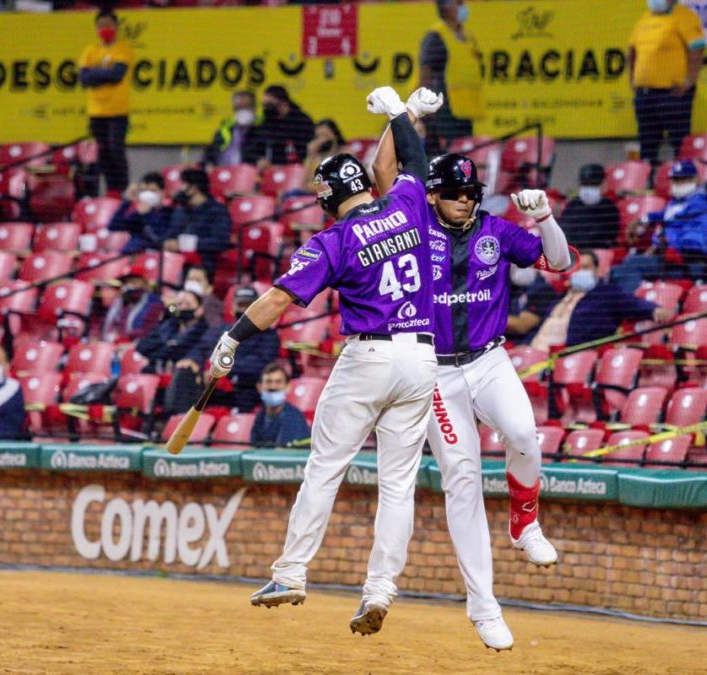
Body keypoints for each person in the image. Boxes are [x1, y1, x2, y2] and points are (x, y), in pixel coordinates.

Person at [211, 86, 439, 637]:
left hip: (370, 356)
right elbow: (410, 159)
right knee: (398, 485)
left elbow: (278, 299)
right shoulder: (409, 204)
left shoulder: (333, 239)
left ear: (327, 197)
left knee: (325, 468)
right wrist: (402, 113)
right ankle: (380, 589)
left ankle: (291, 573)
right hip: (423, 355)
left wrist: (234, 336)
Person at [371, 141, 572, 649]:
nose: (466, 200)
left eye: (472, 192)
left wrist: (544, 216)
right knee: (462, 478)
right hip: (435, 372)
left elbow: (560, 261)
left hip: (489, 358)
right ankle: (483, 606)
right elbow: (382, 176)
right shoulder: (412, 233)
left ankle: (524, 524)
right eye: (456, 193)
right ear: (434, 195)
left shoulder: (494, 230)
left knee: (526, 433)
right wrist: (401, 120)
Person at [610, 160, 707, 295]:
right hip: (667, 259)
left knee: (628, 267)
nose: (678, 185)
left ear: (695, 179)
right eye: (675, 181)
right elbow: (666, 216)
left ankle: (636, 303)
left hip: (685, 263)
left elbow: (700, 237)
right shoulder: (676, 201)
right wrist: (645, 219)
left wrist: (672, 247)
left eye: (682, 180)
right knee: (620, 268)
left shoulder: (701, 203)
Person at [628, 0, 706, 163]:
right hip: (645, 95)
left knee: (680, 143)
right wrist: (633, 80)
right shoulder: (645, 18)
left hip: (671, 94)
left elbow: (697, 47)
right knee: (647, 144)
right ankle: (648, 183)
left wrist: (689, 80)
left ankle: (682, 181)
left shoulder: (684, 16)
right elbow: (632, 49)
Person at [184, 285, 279, 413]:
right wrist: (193, 360)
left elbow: (261, 363)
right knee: (186, 376)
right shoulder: (223, 330)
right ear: (233, 307)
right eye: (241, 304)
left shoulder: (268, 335)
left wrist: (226, 370)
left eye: (249, 305)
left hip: (246, 386)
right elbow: (202, 347)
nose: (245, 310)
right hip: (214, 384)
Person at [559, 251, 673, 349]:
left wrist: (654, 310)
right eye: (577, 268)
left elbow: (631, 303)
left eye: (585, 267)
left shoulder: (605, 294)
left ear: (598, 271)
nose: (580, 272)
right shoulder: (558, 299)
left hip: (573, 357)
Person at [79, 9, 134, 197]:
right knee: (102, 154)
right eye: (101, 25)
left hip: (117, 112)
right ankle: (110, 191)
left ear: (117, 27)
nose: (105, 29)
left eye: (109, 25)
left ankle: (123, 190)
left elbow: (117, 75)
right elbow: (84, 78)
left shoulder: (123, 49)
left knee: (115, 150)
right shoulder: (90, 50)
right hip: (96, 112)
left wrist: (96, 74)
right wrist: (104, 74)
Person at [418, 0, 483, 154]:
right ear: (446, 8)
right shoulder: (436, 36)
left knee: (465, 152)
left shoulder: (468, 37)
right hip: (445, 111)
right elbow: (425, 74)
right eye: (458, 3)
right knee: (447, 155)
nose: (463, 7)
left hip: (465, 110)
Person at [164, 168, 232, 279]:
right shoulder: (180, 210)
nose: (180, 189)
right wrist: (168, 243)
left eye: (184, 184)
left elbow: (221, 242)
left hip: (203, 263)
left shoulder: (217, 211)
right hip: (175, 260)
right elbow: (171, 234)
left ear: (194, 188)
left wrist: (187, 244)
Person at [135, 290, 210, 371]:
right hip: (156, 368)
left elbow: (177, 352)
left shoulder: (204, 330)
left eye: (188, 305)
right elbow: (143, 345)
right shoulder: (170, 324)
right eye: (180, 304)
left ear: (200, 310)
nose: (183, 307)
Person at [243, 85, 315, 168]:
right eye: (264, 105)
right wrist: (259, 160)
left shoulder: (301, 122)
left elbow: (305, 152)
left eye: (269, 105)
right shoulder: (266, 124)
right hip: (269, 173)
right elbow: (252, 149)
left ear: (284, 103)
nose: (266, 109)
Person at [106, 172, 174, 253]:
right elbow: (113, 226)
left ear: (162, 192)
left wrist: (146, 216)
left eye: (152, 191)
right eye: (144, 191)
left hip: (154, 258)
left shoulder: (169, 213)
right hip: (131, 256)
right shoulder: (138, 214)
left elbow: (158, 239)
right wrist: (127, 202)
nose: (148, 194)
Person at [558, 163, 622, 250]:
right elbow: (564, 232)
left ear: (604, 185)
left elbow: (611, 236)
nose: (588, 190)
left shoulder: (609, 208)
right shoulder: (572, 205)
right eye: (585, 185)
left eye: (593, 185)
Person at [249, 363, 311, 447]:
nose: (273, 387)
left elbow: (284, 454)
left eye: (278, 382)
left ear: (288, 387)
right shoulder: (260, 416)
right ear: (259, 387)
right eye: (268, 381)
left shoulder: (294, 417)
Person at [100, 264, 163, 343]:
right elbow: (111, 324)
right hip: (116, 345)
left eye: (133, 282)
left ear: (144, 282)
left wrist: (125, 338)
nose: (129, 286)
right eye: (126, 283)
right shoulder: (122, 301)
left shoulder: (154, 302)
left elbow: (147, 330)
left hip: (140, 347)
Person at [204, 90, 258, 167]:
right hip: (222, 173)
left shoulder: (260, 133)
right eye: (238, 108)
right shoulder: (223, 132)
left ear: (254, 109)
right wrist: (208, 164)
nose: (242, 112)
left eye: (246, 107)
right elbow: (209, 155)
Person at [506, 267, 560, 344]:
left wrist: (489, 318)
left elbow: (522, 326)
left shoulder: (542, 290)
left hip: (528, 346)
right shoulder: (514, 287)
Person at [300, 119, 346, 192]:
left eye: (325, 136)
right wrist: (311, 155)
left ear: (335, 135)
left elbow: (338, 184)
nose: (321, 140)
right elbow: (306, 184)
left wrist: (314, 187)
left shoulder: (345, 153)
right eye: (318, 137)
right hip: (316, 194)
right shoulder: (317, 158)